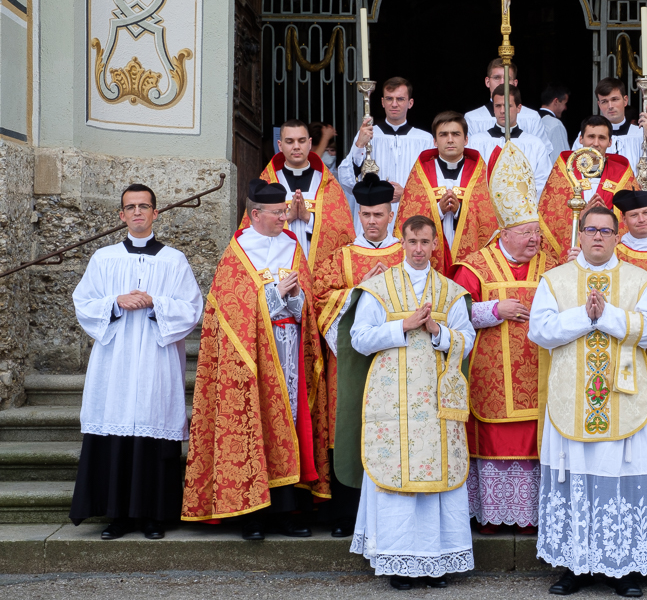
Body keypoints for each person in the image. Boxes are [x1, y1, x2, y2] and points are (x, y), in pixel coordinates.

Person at [333, 215, 476, 590]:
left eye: (425, 242)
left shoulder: (450, 292)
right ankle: (398, 562)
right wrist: (404, 325)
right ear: (403, 243)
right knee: (395, 479)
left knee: (438, 479)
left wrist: (438, 331)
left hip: (435, 403)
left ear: (434, 245)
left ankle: (437, 561)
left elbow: (466, 340)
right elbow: (360, 338)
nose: (418, 249)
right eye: (412, 242)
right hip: (391, 402)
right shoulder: (378, 289)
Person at [529, 205, 647, 597]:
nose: (598, 237)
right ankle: (576, 566)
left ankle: (623, 569)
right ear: (581, 235)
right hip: (571, 397)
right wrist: (584, 317)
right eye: (591, 230)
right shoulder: (555, 280)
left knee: (619, 478)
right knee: (576, 478)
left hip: (623, 399)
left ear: (617, 237)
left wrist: (608, 316)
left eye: (606, 231)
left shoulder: (640, 280)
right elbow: (539, 330)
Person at [182, 180, 330, 539]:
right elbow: (229, 311)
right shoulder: (237, 253)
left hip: (290, 351)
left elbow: (309, 304)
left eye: (284, 211)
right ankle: (253, 516)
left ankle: (288, 510)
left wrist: (294, 298)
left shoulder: (293, 247)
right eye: (277, 213)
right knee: (254, 427)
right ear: (255, 215)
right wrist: (274, 295)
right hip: (252, 360)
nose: (284, 218)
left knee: (289, 425)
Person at [69, 184, 203, 540]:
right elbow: (83, 302)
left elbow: (192, 308)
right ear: (122, 215)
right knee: (115, 428)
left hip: (157, 360)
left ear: (155, 213)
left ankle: (154, 517)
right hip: (115, 361)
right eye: (131, 207)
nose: (138, 212)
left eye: (144, 206)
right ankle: (118, 517)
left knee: (153, 424)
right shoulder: (104, 258)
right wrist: (116, 302)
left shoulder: (174, 260)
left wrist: (155, 303)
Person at [452, 143, 552, 535]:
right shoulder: (475, 267)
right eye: (526, 233)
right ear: (505, 233)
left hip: (539, 373)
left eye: (536, 232)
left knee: (534, 442)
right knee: (495, 440)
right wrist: (495, 310)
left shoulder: (552, 265)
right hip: (491, 377)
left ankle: (530, 517)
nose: (534, 239)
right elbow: (454, 315)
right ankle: (492, 516)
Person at [313, 172, 405, 538]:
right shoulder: (341, 257)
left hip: (395, 358)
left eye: (379, 214)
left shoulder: (406, 254)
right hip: (349, 361)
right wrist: (360, 289)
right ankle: (347, 514)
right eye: (365, 214)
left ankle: (391, 515)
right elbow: (321, 299)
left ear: (390, 216)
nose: (372, 222)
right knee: (350, 425)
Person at [244, 119, 355, 276]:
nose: (296, 146)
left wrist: (308, 218)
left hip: (319, 272)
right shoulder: (268, 182)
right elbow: (253, 232)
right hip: (278, 271)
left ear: (309, 143)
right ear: (280, 145)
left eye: (301, 141)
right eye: (290, 141)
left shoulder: (327, 183)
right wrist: (288, 218)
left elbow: (342, 233)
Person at [394, 111, 499, 276]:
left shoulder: (480, 173)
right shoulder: (421, 172)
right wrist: (438, 211)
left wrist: (460, 211)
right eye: (443, 135)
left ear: (466, 139)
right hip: (431, 258)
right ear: (435, 141)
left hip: (469, 259)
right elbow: (410, 217)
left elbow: (488, 219)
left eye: (456, 134)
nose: (450, 140)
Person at [338, 77, 435, 236]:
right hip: (374, 218)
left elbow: (433, 184)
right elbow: (347, 180)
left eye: (400, 99)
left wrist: (407, 193)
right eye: (389, 99)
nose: (394, 104)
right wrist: (359, 145)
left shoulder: (425, 140)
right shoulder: (368, 135)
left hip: (412, 216)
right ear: (382, 102)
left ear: (410, 103)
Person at [538, 115, 637, 260]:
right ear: (581, 139)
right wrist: (579, 216)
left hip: (609, 250)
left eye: (602, 138)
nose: (595, 143)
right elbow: (551, 217)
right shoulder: (565, 170)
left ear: (610, 142)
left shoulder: (622, 173)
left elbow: (634, 215)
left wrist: (607, 216)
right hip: (573, 250)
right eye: (591, 137)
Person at [571, 78, 647, 183]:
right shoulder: (588, 136)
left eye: (614, 99)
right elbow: (575, 172)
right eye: (604, 101)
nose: (610, 106)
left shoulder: (641, 135)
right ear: (599, 105)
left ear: (625, 100)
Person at [469, 84, 553, 200]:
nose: (502, 111)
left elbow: (543, 182)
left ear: (519, 108)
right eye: (498, 106)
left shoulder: (535, 145)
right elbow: (470, 179)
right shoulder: (476, 142)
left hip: (524, 207)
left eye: (508, 106)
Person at [465, 59, 554, 150]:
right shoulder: (472, 118)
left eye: (507, 78)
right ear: (487, 82)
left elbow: (543, 151)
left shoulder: (532, 117)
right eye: (497, 78)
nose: (502, 83)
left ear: (515, 83)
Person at [539, 84, 571, 162]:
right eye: (565, 103)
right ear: (556, 101)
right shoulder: (555, 124)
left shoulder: (531, 120)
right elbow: (560, 160)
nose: (565, 108)